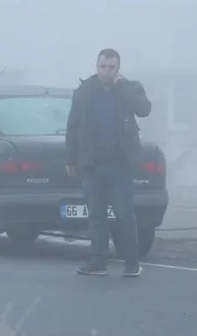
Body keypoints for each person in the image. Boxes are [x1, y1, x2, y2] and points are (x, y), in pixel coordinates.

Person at [65, 48, 151, 277]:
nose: (107, 71)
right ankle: (97, 262)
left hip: (120, 163)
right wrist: (71, 158)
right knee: (96, 216)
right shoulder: (84, 91)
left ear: (118, 68)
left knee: (124, 214)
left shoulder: (129, 88)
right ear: (96, 66)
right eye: (103, 66)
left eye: (111, 67)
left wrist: (124, 89)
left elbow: (144, 109)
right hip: (92, 164)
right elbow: (72, 125)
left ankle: (132, 262)